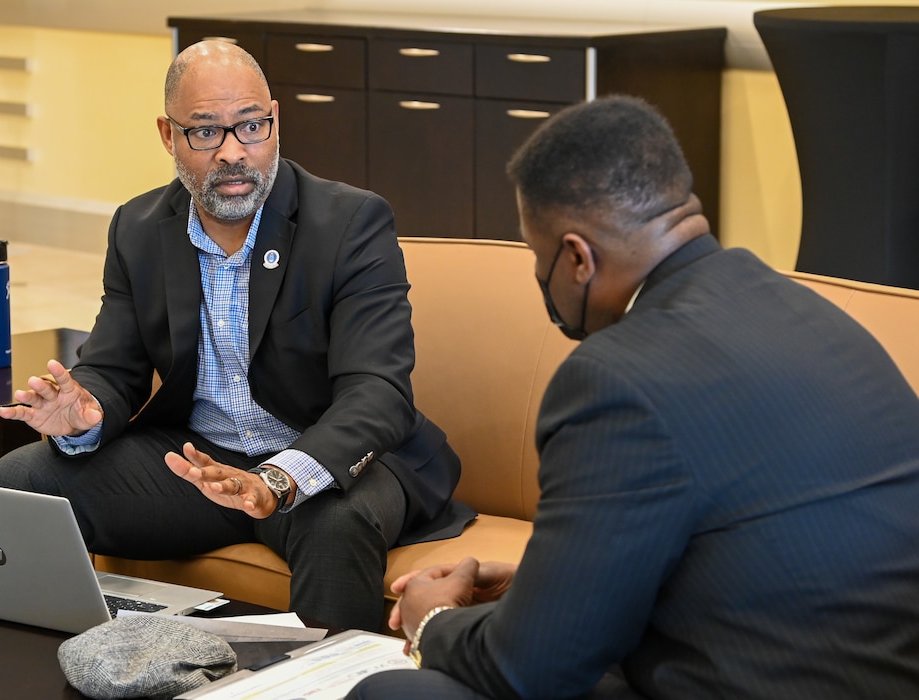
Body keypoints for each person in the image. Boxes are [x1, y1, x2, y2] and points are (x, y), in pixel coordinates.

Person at [347, 96, 919, 698]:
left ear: (576, 259)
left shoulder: (615, 378)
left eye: (538, 260)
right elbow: (756, 543)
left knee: (396, 692)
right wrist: (547, 586)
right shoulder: (815, 317)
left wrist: (433, 621)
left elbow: (532, 669)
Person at [0, 40, 471, 632]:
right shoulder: (138, 227)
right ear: (168, 135)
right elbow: (113, 368)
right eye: (206, 132)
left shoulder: (350, 223)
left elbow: (378, 392)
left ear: (275, 120)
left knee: (335, 524)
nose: (234, 153)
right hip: (202, 466)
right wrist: (84, 413)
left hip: (321, 464)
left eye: (252, 127)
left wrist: (277, 479)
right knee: (20, 480)